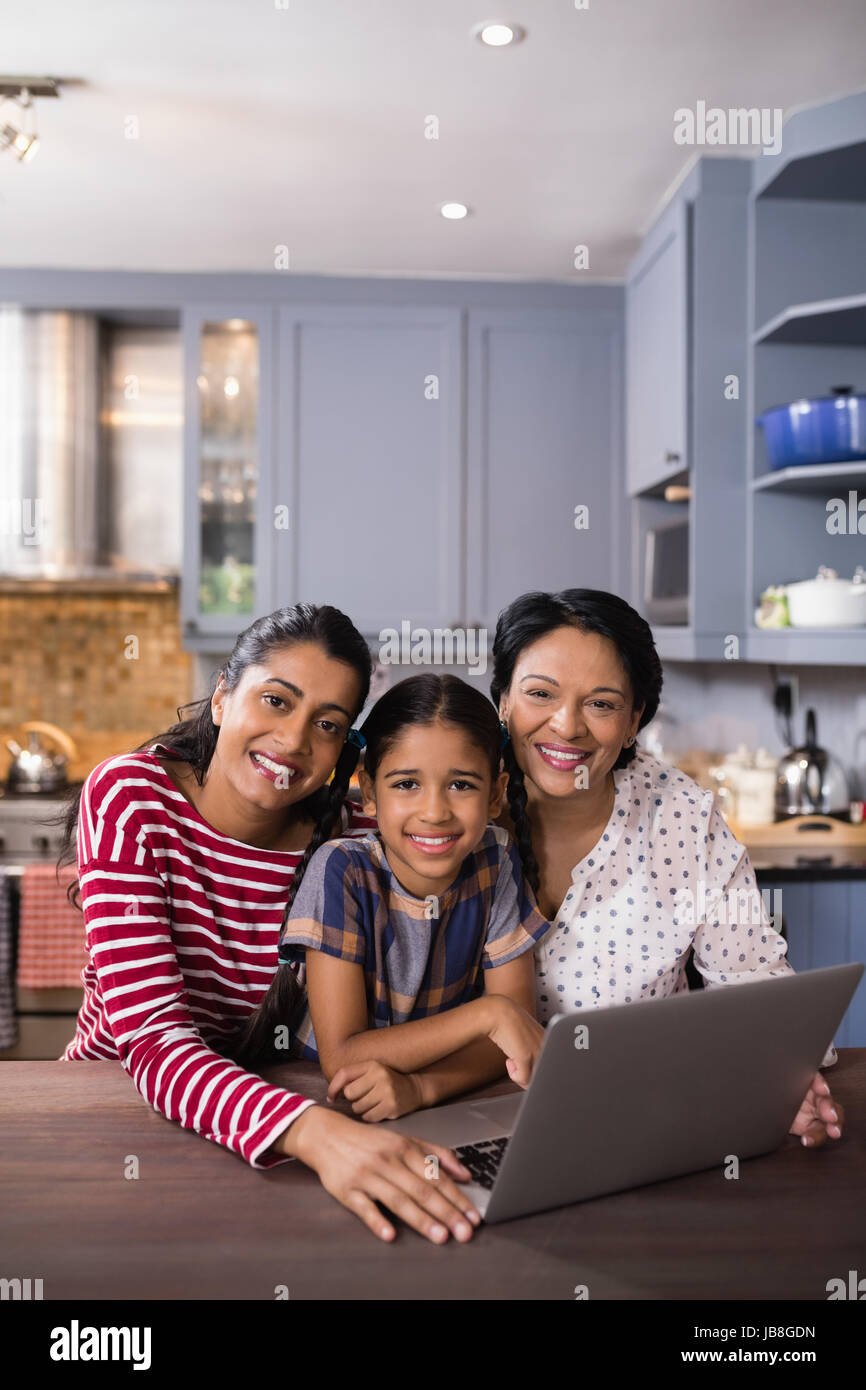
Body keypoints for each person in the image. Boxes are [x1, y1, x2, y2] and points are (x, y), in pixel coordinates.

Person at [57, 604, 495, 1245]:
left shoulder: (349, 837)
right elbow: (154, 1042)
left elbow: (462, 824)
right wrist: (319, 1134)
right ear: (222, 697)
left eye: (327, 724)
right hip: (122, 1104)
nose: (294, 742)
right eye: (276, 701)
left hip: (256, 1109)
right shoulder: (132, 798)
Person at [489, 588, 844, 1149]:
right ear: (503, 700)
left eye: (601, 704)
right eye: (540, 694)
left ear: (634, 721)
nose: (567, 725)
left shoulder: (681, 818)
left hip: (644, 1122)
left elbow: (757, 992)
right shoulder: (447, 804)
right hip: (466, 1115)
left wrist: (779, 1076)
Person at [236, 674, 549, 1121]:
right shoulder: (342, 869)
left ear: (496, 794)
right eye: (406, 784)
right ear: (370, 794)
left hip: (433, 1098)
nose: (435, 812)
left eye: (461, 785)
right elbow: (343, 1059)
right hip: (320, 1097)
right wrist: (490, 1015)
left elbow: (512, 1037)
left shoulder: (496, 860)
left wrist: (421, 1088)